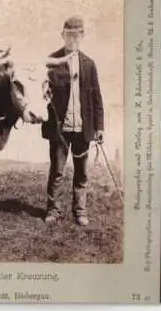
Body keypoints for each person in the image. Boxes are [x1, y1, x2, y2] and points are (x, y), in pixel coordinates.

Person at [41, 16, 105, 226]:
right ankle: (53, 211)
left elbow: (97, 98)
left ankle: (80, 212)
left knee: (81, 173)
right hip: (60, 129)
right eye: (69, 35)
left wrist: (99, 127)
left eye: (77, 34)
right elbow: (42, 94)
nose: (73, 39)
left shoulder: (89, 64)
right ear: (63, 35)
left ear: (82, 36)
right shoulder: (51, 61)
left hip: (83, 129)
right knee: (57, 171)